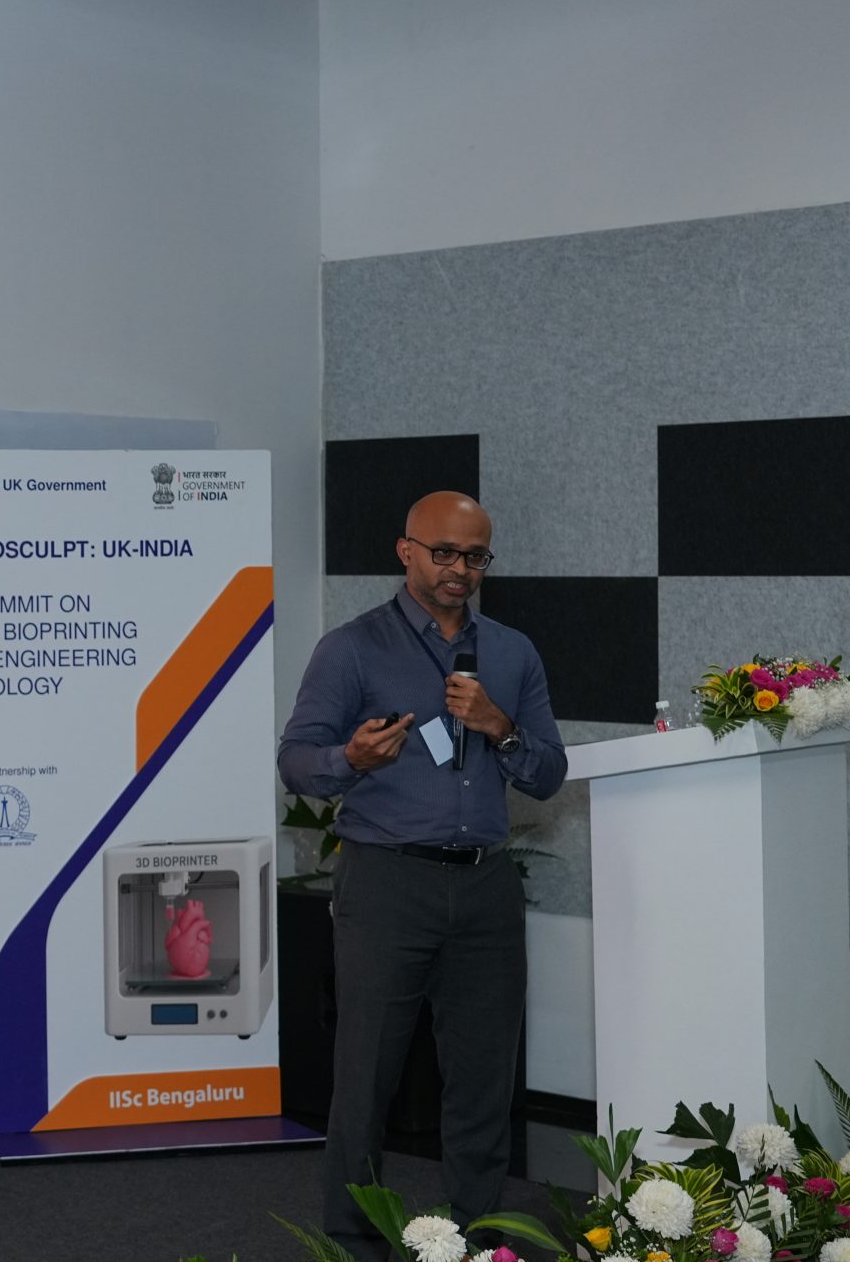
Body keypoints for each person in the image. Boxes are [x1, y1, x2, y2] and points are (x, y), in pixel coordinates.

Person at [276, 491, 566, 1258]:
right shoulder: (351, 649)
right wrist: (349, 758)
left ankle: (480, 1237)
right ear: (406, 551)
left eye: (475, 556)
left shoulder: (512, 653)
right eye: (444, 553)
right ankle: (353, 1243)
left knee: (483, 1081)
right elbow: (295, 760)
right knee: (366, 1077)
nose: (459, 569)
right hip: (387, 883)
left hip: (486, 886)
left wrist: (500, 728)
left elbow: (548, 775)